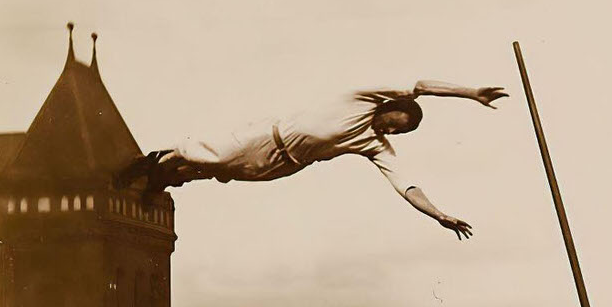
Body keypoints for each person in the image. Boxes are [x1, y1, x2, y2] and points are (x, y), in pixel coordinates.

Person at [116, 80, 507, 239]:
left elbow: (406, 185)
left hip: (282, 165)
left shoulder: (374, 145)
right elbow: (421, 86)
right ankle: (154, 158)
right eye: (395, 123)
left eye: (399, 133)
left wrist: (439, 214)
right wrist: (471, 93)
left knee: (217, 172)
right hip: (269, 134)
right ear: (389, 107)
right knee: (210, 152)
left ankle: (163, 178)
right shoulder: (363, 97)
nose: (392, 132)